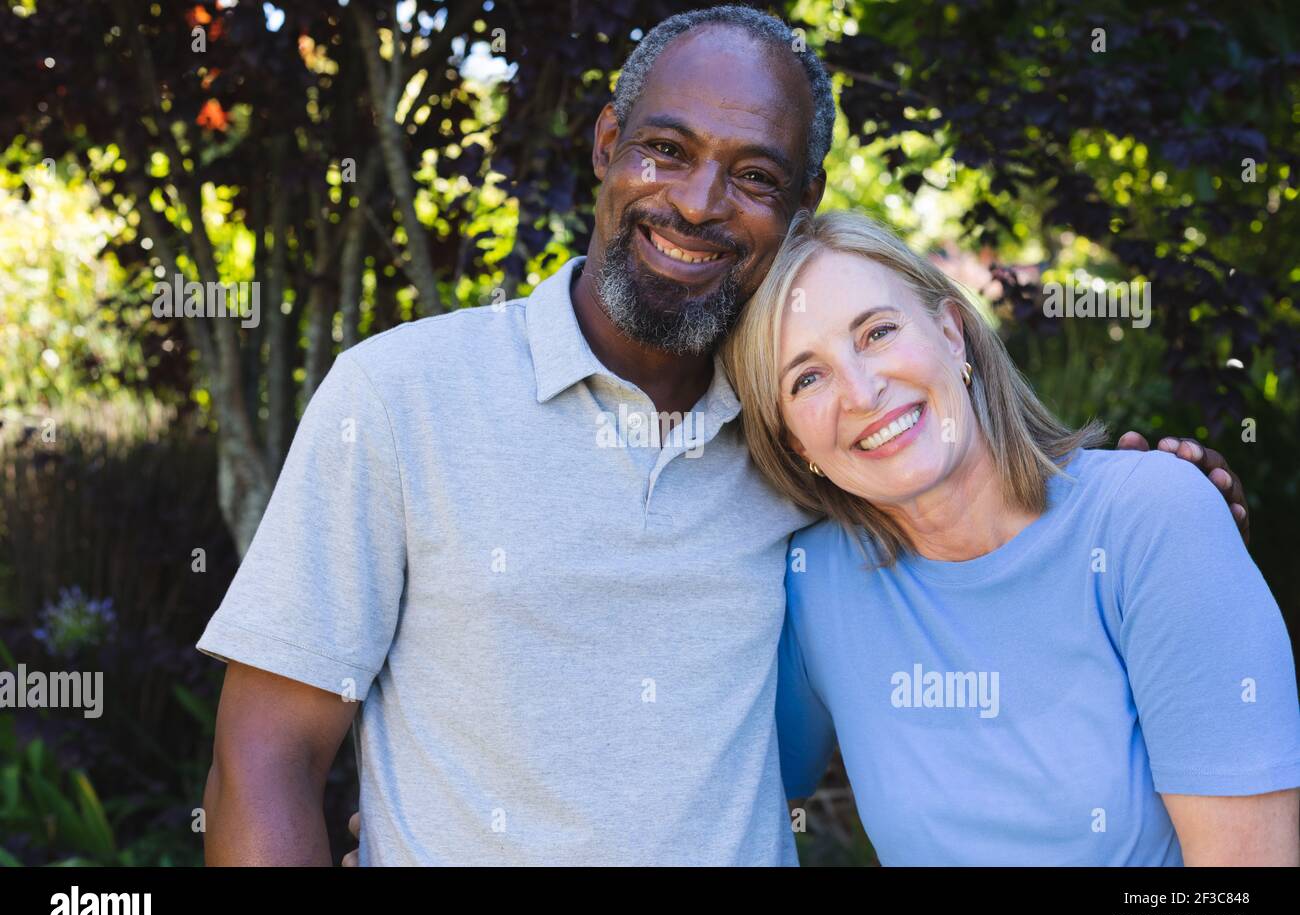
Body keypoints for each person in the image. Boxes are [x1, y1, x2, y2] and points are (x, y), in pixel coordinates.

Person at [199, 6, 1250, 866]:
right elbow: (266, 757)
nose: (696, 203)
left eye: (752, 175)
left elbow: (995, 546)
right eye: (666, 150)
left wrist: (1157, 502)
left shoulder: (811, 437)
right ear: (609, 145)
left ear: (800, 204)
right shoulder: (397, 396)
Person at [720, 209, 1299, 865]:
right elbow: (724, 815)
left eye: (878, 332)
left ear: (951, 334)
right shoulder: (814, 585)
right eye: (807, 377)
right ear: (796, 444)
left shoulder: (1154, 519)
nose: (861, 391)